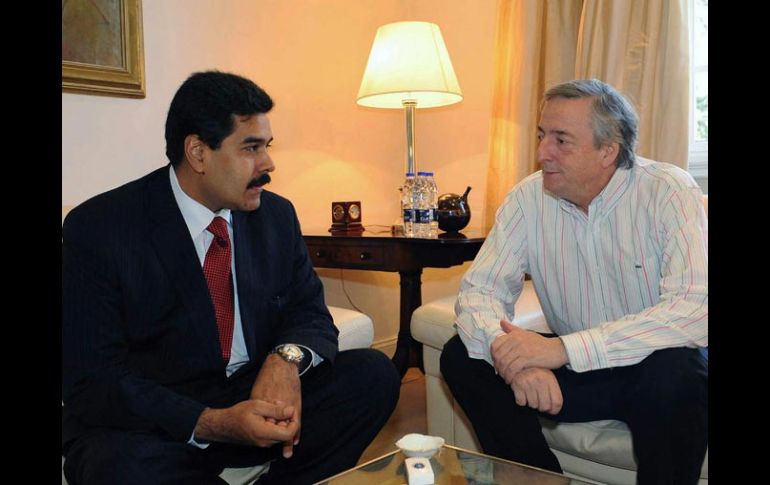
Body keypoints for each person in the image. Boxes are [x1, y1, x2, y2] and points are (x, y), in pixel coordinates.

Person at [62, 70, 401, 485]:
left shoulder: (276, 216)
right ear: (198, 153)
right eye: (251, 148)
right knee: (116, 466)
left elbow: (309, 312)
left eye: (267, 147)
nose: (269, 164)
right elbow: (93, 378)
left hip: (250, 395)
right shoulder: (102, 228)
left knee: (372, 375)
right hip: (159, 417)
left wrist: (285, 361)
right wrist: (212, 422)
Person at [440, 79, 707, 484]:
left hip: (652, 367)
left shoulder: (668, 191)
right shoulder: (527, 199)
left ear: (608, 150)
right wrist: (513, 362)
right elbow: (481, 292)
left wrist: (561, 350)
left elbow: (693, 310)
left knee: (678, 369)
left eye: (561, 140)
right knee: (462, 353)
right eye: (542, 135)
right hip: (579, 375)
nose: (542, 152)